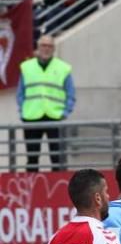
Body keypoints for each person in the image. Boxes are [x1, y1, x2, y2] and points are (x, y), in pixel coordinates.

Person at [16, 35, 76, 172]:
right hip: (31, 117)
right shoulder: (26, 67)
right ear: (38, 47)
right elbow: (20, 93)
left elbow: (71, 94)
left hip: (55, 117)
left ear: (54, 49)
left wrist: (65, 113)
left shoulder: (63, 68)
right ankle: (30, 190)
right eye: (43, 45)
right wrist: (22, 111)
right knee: (32, 157)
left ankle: (61, 190)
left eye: (49, 46)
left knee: (57, 158)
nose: (46, 48)